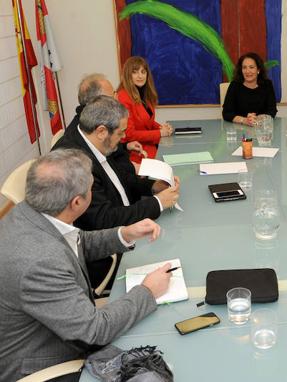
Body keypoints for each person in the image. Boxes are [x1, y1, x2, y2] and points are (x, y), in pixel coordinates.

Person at [0, 149, 172, 381]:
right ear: (77, 202)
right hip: (46, 364)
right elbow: (95, 331)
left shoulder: (30, 212)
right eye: (91, 188)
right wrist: (148, 291)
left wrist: (124, 234)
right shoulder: (40, 262)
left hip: (64, 327)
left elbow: (74, 243)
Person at [53, 96, 179, 285]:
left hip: (130, 225)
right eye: (121, 133)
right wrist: (158, 202)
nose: (123, 139)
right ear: (102, 131)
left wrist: (152, 187)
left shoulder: (98, 142)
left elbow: (124, 178)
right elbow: (104, 220)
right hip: (108, 253)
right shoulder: (75, 163)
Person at [64, 73, 145, 174]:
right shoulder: (84, 134)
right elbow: (114, 169)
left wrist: (126, 146)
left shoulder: (98, 120)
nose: (117, 98)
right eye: (113, 96)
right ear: (97, 103)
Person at [117, 56, 174, 164]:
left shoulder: (144, 94)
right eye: (135, 72)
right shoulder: (123, 97)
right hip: (136, 152)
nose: (140, 76)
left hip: (149, 147)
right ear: (128, 75)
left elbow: (147, 122)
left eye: (143, 72)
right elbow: (129, 134)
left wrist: (162, 127)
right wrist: (159, 133)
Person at [222, 52, 278, 126]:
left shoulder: (267, 84)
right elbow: (226, 113)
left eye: (251, 67)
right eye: (244, 67)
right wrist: (245, 120)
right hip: (239, 130)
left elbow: (272, 110)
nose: (247, 71)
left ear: (258, 69)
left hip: (262, 130)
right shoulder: (234, 85)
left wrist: (258, 119)